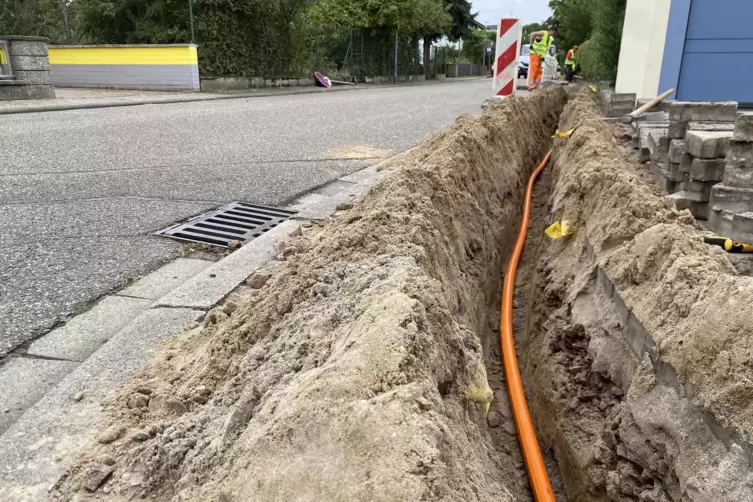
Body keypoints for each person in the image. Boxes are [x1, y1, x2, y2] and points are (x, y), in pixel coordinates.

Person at [528, 26, 557, 90]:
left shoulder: (549, 39)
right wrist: (531, 45)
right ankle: (531, 84)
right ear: (552, 31)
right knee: (534, 68)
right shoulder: (543, 33)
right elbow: (532, 34)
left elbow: (544, 49)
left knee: (539, 70)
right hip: (534, 53)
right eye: (554, 33)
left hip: (540, 56)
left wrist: (543, 56)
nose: (554, 34)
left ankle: (536, 84)